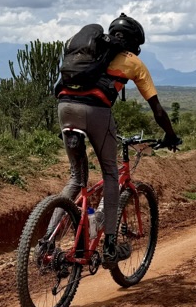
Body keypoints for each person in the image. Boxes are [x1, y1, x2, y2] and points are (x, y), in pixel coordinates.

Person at [54, 13, 181, 261]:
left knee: (75, 178)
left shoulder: (87, 50)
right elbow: (156, 109)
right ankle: (110, 245)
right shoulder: (132, 62)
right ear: (134, 42)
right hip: (96, 111)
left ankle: (47, 241)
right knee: (111, 175)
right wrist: (171, 136)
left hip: (64, 107)